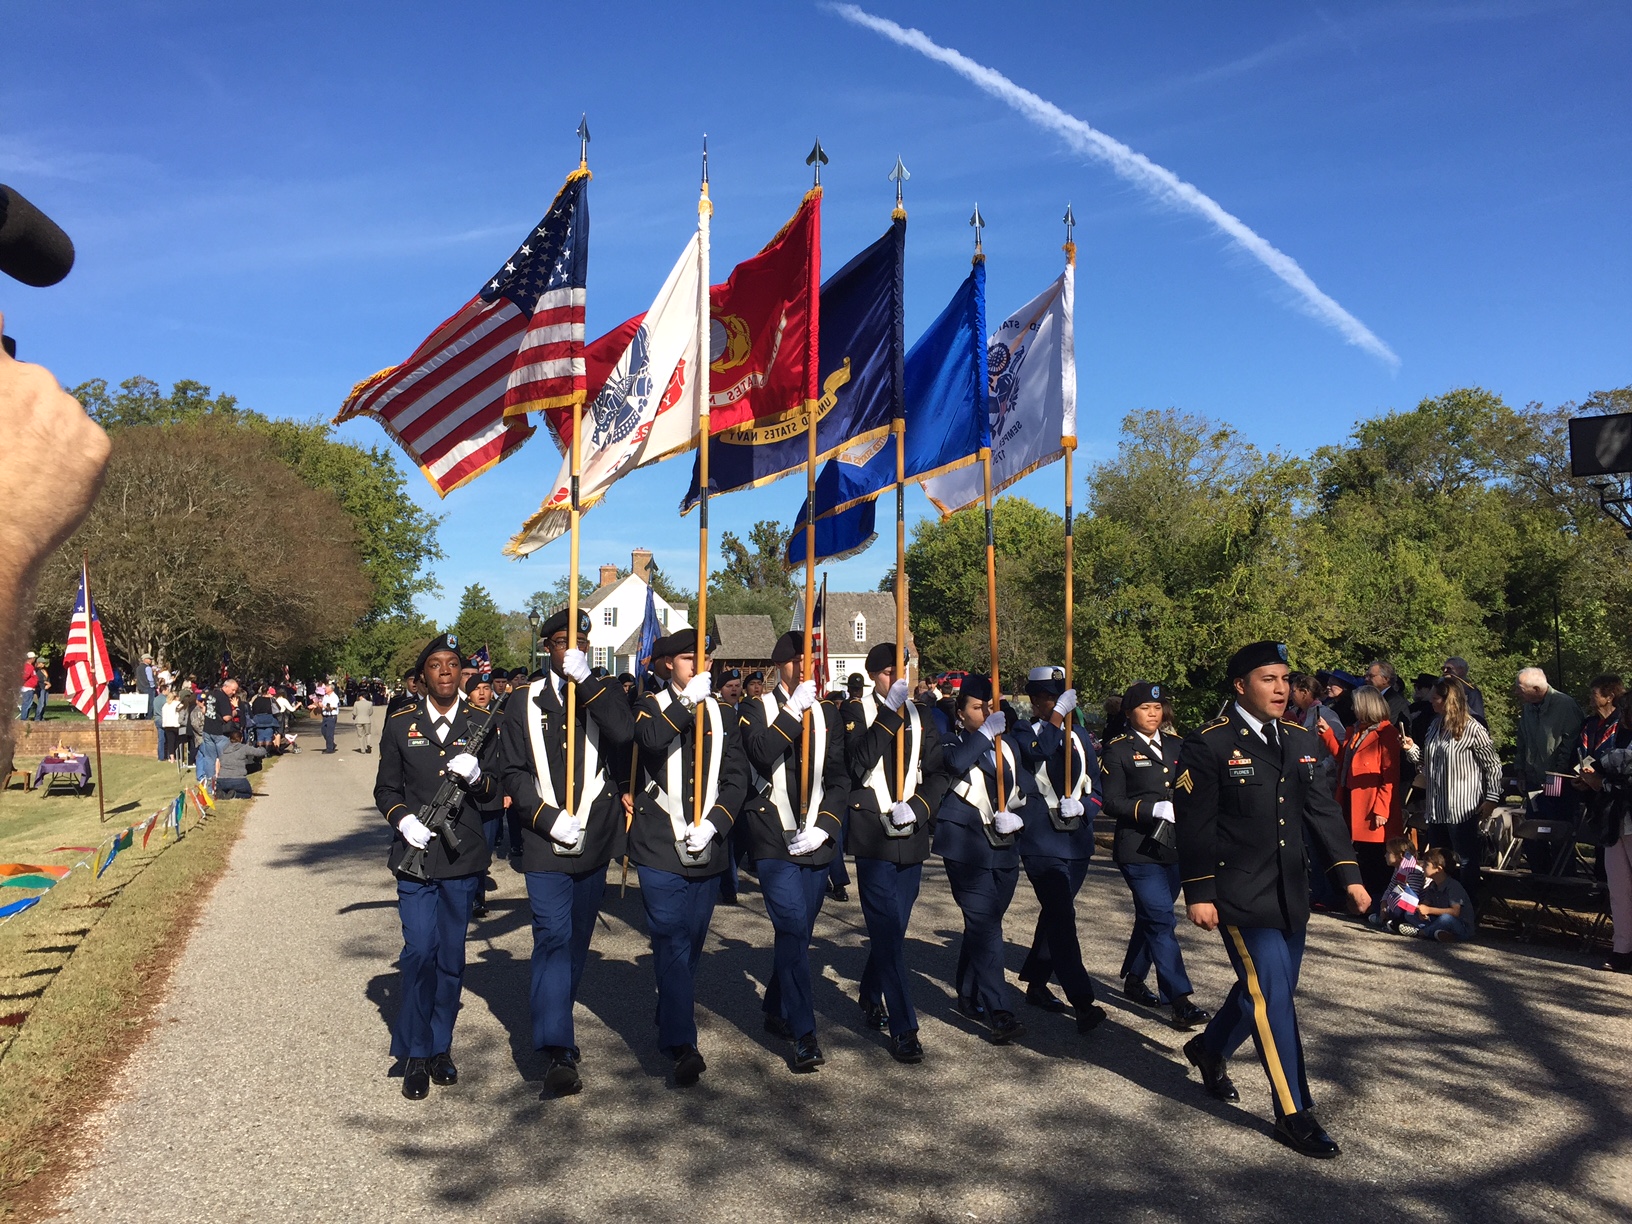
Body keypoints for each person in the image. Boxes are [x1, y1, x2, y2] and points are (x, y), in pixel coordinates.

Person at [1174, 640, 1369, 1159]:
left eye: (1285, 679)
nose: (1281, 688)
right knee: (1273, 996)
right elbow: (1195, 826)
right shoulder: (1210, 744)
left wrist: (1348, 875)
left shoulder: (1303, 741)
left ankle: (1209, 1048)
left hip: (1290, 891)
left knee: (1264, 991)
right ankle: (1293, 1111)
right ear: (1241, 686)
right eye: (1269, 679)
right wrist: (1199, 891)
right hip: (1238, 894)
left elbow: (1322, 813)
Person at [498, 608, 633, 1095]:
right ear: (547, 648)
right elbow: (512, 770)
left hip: (594, 835)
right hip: (543, 836)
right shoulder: (522, 701)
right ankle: (557, 1048)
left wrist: (590, 683)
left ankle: (557, 1013)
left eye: (578, 641)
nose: (568, 649)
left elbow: (623, 734)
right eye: (560, 642)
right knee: (551, 936)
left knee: (576, 939)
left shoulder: (605, 691)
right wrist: (546, 816)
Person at [376, 632, 500, 1101]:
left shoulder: (484, 722)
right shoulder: (399, 724)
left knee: (450, 958)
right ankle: (414, 1051)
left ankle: (439, 1048)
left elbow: (495, 793)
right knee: (418, 952)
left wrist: (479, 779)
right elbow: (385, 790)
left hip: (461, 858)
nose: (445, 671)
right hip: (415, 857)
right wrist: (403, 819)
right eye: (435, 665)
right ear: (421, 676)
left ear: (462, 673)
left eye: (453, 664)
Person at [627, 628, 747, 1085]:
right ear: (667, 665)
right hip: (659, 841)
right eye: (686, 658)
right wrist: (684, 704)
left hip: (707, 844)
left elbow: (736, 778)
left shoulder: (724, 712)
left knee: (692, 942)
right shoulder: (650, 704)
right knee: (671, 937)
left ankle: (670, 1006)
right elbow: (652, 740)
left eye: (703, 657)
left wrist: (717, 822)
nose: (698, 665)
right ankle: (682, 1044)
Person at [739, 629, 848, 1072]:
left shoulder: (830, 715)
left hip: (815, 839)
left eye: (813, 660)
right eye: (799, 660)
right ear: (782, 664)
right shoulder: (755, 708)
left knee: (799, 932)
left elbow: (840, 779)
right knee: (790, 923)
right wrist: (792, 710)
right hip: (772, 835)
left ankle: (774, 1004)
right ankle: (804, 1033)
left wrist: (826, 826)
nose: (807, 668)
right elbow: (762, 751)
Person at [842, 642, 947, 1064]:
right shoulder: (855, 713)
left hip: (911, 834)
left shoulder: (924, 716)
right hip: (873, 836)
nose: (896, 678)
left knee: (894, 930)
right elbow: (857, 762)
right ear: (872, 676)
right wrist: (889, 713)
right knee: (887, 930)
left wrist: (920, 808)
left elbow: (938, 774)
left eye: (900, 670)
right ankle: (904, 1026)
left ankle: (870, 993)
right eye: (887, 672)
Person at [1101, 681, 1210, 1029]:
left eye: (1158, 707)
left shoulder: (1178, 745)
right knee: (1162, 918)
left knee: (1152, 916)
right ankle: (1179, 999)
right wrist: (1152, 809)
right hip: (1138, 847)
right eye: (1146, 708)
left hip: (1173, 845)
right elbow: (1112, 802)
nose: (1153, 713)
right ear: (1130, 712)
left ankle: (1134, 976)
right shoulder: (1118, 750)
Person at [934, 674, 1035, 1044]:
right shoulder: (950, 738)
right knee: (986, 924)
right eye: (978, 707)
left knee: (985, 924)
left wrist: (1019, 811)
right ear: (961, 713)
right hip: (964, 845)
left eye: (991, 706)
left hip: (1003, 843)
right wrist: (981, 734)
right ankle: (1000, 1012)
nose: (987, 712)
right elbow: (956, 762)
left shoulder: (1007, 745)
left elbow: (1027, 785)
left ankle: (967, 990)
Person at [1011, 666, 1109, 1033]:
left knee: (1055, 915)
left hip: (1076, 841)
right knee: (1063, 919)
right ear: (1036, 702)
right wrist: (1055, 718)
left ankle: (1036, 982)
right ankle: (1082, 1002)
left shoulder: (1080, 733)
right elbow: (1040, 751)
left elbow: (1096, 787)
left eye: (1061, 698)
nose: (1058, 705)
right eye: (1050, 699)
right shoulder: (1024, 731)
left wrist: (1086, 808)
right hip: (1042, 841)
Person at [1403, 678, 1502, 894]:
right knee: (1439, 859)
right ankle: (1442, 902)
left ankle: (1467, 905)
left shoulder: (1472, 727)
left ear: (1448, 700)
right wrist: (1411, 749)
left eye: (1436, 698)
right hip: (1437, 806)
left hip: (1463, 806)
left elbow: (1493, 765)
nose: (1431, 702)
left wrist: (1492, 798)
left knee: (1465, 860)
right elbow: (1426, 764)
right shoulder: (1434, 726)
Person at [1335, 685, 1405, 906]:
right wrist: (1327, 735)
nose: (1353, 709)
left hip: (1373, 804)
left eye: (1356, 705)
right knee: (1363, 854)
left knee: (1377, 857)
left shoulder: (1387, 733)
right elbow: (1344, 759)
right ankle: (1365, 903)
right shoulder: (1357, 730)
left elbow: (1390, 775)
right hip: (1353, 800)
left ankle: (1378, 903)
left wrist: (1381, 809)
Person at [1516, 667, 1585, 869]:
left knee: (1558, 833)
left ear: (1536, 689)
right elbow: (1522, 740)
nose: (1516, 692)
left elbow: (1571, 744)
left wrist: (1556, 775)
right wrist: (1520, 770)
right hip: (1533, 781)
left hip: (1558, 783)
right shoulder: (1528, 708)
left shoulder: (1565, 706)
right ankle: (1539, 877)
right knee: (1533, 834)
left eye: (1520, 688)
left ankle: (1563, 878)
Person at [463, 673, 503, 919]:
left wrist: (507, 792)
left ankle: (478, 897)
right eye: (477, 688)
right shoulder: (462, 718)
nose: (482, 693)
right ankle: (466, 896)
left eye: (486, 688)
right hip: (467, 795)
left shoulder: (501, 717)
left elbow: (507, 757)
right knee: (467, 848)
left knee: (485, 849)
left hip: (492, 794)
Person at [196, 678, 239, 783]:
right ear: (226, 686)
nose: (234, 693)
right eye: (233, 690)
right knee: (224, 758)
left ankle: (211, 785)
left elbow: (204, 709)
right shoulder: (223, 698)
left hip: (207, 729)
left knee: (209, 759)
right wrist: (236, 711)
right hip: (220, 732)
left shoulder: (211, 693)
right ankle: (224, 782)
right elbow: (227, 717)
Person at [213, 728, 266, 799]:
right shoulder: (244, 748)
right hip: (238, 779)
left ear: (229, 739)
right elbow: (261, 752)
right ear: (241, 739)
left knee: (226, 788)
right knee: (248, 793)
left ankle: (223, 793)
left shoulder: (223, 749)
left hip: (222, 780)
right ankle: (235, 794)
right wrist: (261, 747)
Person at [1442, 657, 1488, 727]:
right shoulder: (1441, 690)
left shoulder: (1471, 692)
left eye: (1449, 669)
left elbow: (1478, 718)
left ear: (1461, 671)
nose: (1445, 671)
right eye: (1443, 668)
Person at [1364, 660, 1411, 727]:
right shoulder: (1371, 698)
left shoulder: (1395, 700)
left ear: (1385, 679)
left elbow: (1386, 726)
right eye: (1366, 676)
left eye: (1371, 676)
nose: (1366, 679)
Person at [160, 685, 183, 762]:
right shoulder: (177, 703)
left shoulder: (165, 705)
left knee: (170, 741)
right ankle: (177, 756)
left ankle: (172, 758)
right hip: (175, 724)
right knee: (176, 741)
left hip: (167, 725)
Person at [317, 682, 341, 753]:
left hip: (331, 716)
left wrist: (323, 706)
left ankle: (329, 749)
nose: (325, 689)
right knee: (323, 731)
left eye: (326, 688)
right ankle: (332, 744)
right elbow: (322, 705)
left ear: (331, 689)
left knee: (329, 733)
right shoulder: (325, 696)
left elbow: (333, 707)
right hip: (325, 716)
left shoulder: (334, 697)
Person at [353, 685, 376, 755]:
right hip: (367, 720)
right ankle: (368, 744)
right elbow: (371, 712)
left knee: (360, 735)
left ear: (361, 696)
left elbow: (354, 712)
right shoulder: (369, 703)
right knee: (368, 733)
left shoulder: (356, 703)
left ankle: (362, 749)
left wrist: (354, 716)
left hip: (358, 720)